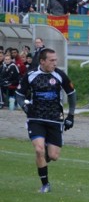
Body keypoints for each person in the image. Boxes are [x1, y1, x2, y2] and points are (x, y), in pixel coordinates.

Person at [15, 48, 77, 193]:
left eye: (56, 60)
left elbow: (72, 94)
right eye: (51, 60)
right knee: (38, 150)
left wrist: (71, 116)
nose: (55, 63)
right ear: (42, 61)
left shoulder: (60, 75)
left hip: (55, 119)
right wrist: (24, 106)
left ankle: (45, 154)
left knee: (53, 156)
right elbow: (19, 94)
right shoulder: (30, 75)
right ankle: (45, 185)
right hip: (35, 118)